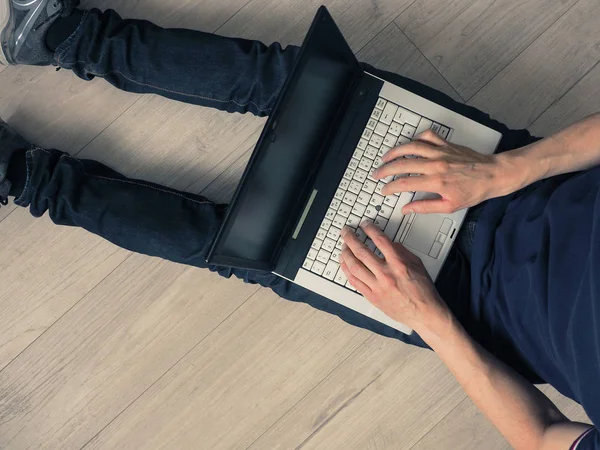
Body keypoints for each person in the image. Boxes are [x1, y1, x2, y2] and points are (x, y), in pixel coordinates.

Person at [1, 1, 599, 449]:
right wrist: (506, 170)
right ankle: (60, 36)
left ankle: (23, 177)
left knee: (233, 244)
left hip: (458, 305)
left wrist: (430, 320)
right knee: (298, 86)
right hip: (513, 181)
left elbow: (546, 437)